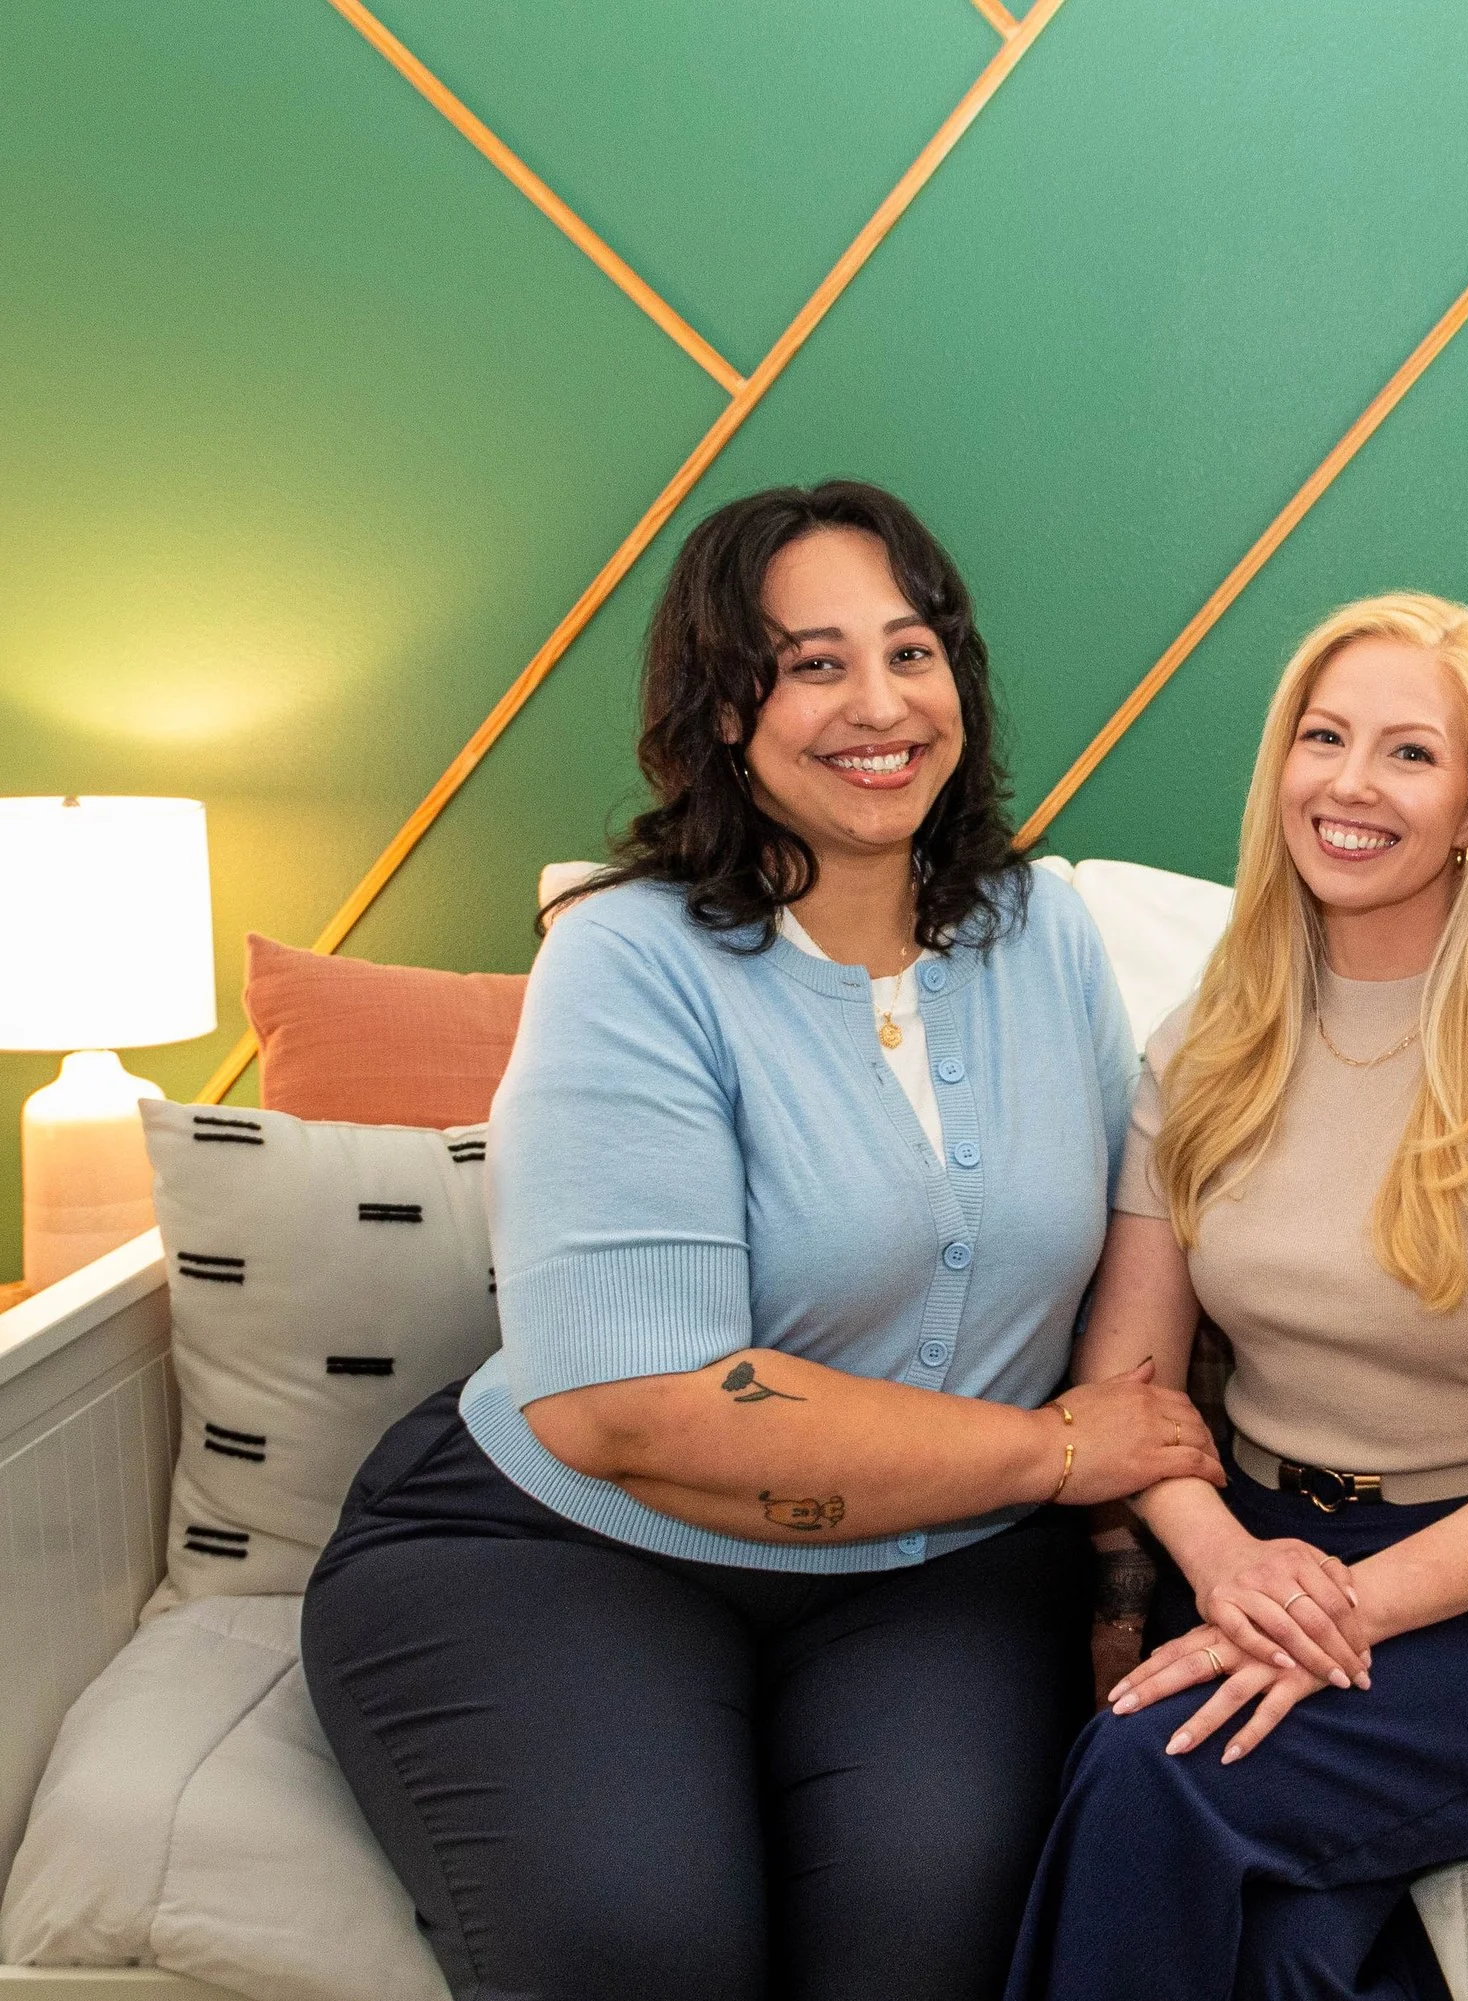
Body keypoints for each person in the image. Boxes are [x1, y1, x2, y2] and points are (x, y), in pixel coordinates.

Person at [299, 479, 1222, 2001]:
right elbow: (627, 1410)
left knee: (935, 1945)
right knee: (642, 1948)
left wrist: (1127, 1530)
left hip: (937, 1575)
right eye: (813, 663)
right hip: (567, 1550)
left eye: (911, 652)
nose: (880, 704)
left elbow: (1141, 1217)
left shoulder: (1039, 927)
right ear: (726, 707)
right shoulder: (626, 955)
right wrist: (1063, 1455)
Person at [1006, 593, 1468, 2001]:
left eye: (1411, 755)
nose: (1351, 785)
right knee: (1292, 1957)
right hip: (1257, 1544)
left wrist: (1348, 1613)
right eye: (1324, 738)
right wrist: (1232, 1566)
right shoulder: (1205, 1047)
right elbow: (1122, 1393)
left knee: (1151, 1769)